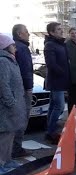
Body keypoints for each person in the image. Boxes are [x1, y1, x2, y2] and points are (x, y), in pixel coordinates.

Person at [0, 34, 26, 174]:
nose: (15, 47)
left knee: (10, 134)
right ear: (6, 46)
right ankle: (1, 163)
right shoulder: (3, 61)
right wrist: (11, 102)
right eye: (13, 45)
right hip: (6, 107)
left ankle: (7, 160)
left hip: (12, 106)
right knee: (4, 136)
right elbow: (3, 85)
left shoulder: (10, 60)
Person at [44, 22, 70, 144]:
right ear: (52, 32)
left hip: (61, 80)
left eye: (61, 28)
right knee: (59, 106)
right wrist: (63, 73)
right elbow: (51, 64)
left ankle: (49, 130)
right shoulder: (50, 45)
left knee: (53, 106)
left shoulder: (61, 44)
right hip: (56, 81)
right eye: (58, 29)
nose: (61, 31)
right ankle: (51, 131)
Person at [12, 24, 33, 158]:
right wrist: (29, 87)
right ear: (20, 34)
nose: (29, 34)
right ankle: (16, 148)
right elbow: (26, 69)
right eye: (26, 32)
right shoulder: (22, 48)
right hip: (23, 89)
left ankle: (13, 147)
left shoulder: (14, 47)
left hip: (16, 88)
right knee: (22, 118)